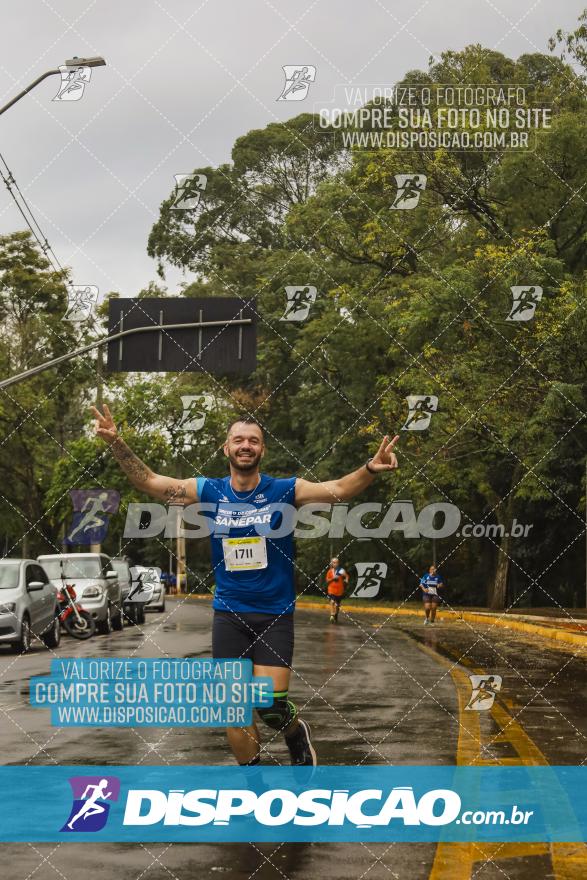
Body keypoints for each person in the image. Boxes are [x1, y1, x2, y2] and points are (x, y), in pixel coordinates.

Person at [92, 404, 399, 766]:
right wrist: (117, 443)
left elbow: (337, 491)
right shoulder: (208, 491)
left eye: (253, 440)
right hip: (229, 614)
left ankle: (295, 731)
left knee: (269, 707)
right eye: (238, 439)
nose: (246, 445)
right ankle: (254, 788)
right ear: (226, 448)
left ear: (262, 450)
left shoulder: (285, 490)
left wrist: (369, 469)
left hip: (274, 613)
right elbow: (150, 482)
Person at [325, 557, 349, 623]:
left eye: (336, 562)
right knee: (332, 602)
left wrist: (346, 580)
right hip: (331, 590)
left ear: (338, 563)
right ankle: (332, 615)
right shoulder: (330, 571)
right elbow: (327, 581)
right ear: (332, 564)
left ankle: (335, 616)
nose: (335, 564)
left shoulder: (341, 570)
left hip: (339, 591)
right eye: (334, 562)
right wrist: (333, 578)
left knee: (337, 605)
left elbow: (346, 576)